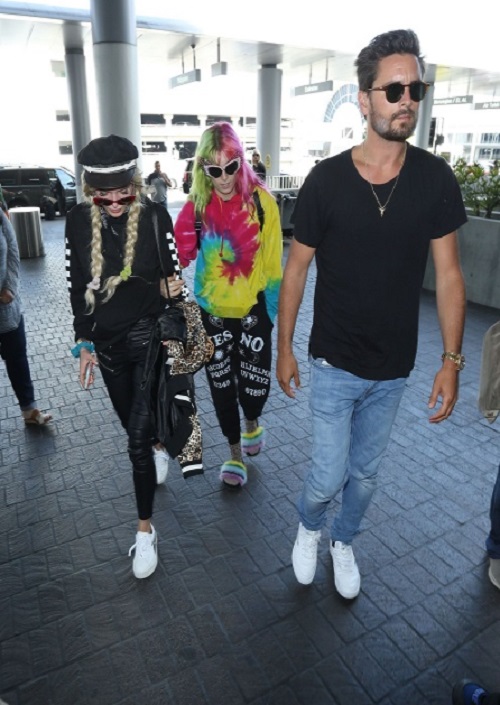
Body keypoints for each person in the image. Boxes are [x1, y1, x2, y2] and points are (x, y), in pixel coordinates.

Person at [276, 29, 467, 599]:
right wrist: (284, 348)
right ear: (364, 100)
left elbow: (450, 275)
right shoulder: (326, 180)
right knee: (327, 476)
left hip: (392, 369)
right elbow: (295, 270)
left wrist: (452, 361)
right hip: (334, 362)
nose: (408, 100)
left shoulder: (434, 178)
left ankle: (343, 539)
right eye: (394, 89)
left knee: (364, 476)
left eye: (416, 89)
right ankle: (310, 526)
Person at [65, 134, 184, 579]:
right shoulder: (78, 222)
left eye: (123, 193)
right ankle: (157, 442)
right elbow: (77, 285)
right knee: (133, 426)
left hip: (149, 338)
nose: (114, 203)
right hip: (109, 345)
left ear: (135, 184)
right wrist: (84, 341)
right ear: (90, 192)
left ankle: (145, 531)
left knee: (133, 442)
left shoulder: (155, 217)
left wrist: (170, 319)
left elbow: (174, 283)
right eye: (104, 196)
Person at [175, 122, 282, 488]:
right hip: (213, 315)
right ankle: (234, 452)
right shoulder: (196, 208)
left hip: (254, 312)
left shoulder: (263, 203)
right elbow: (179, 256)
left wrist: (269, 314)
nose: (223, 178)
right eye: (214, 170)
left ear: (241, 162)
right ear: (203, 169)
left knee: (254, 389)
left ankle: (252, 421)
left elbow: (273, 265)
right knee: (221, 387)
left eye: (231, 167)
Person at [0, 209, 52, 425]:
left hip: (6, 307)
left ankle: (29, 409)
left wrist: (10, 287)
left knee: (17, 357)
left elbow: (12, 250)